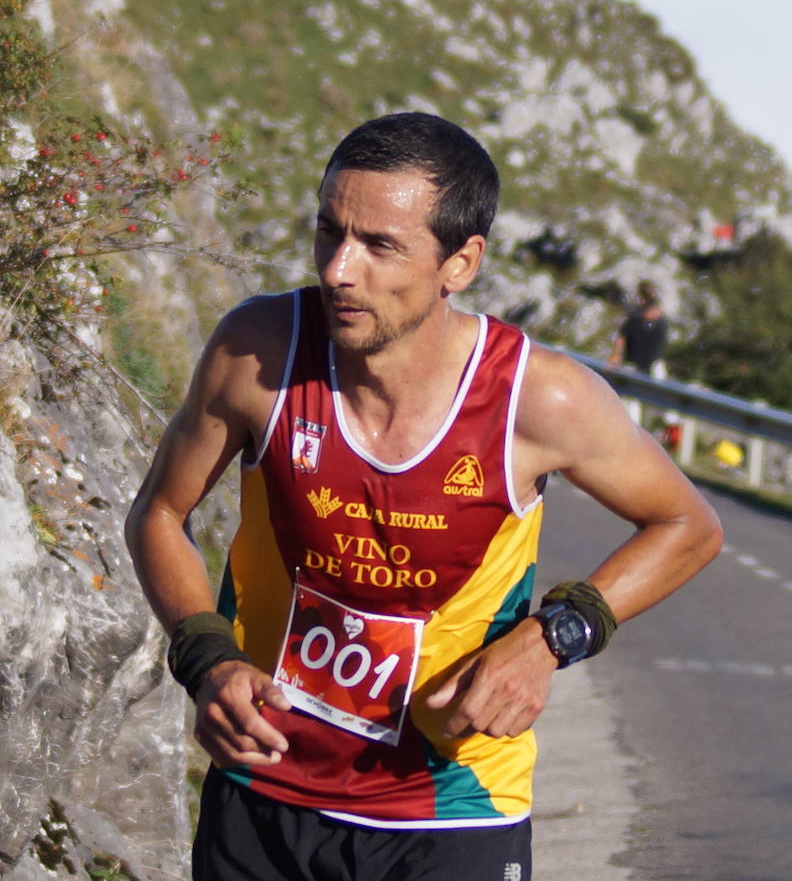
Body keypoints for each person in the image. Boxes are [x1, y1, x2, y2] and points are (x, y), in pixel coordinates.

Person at [124, 113, 722, 880]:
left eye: (380, 246)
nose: (340, 269)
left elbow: (687, 524)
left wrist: (551, 640)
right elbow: (160, 513)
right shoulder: (260, 350)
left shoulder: (538, 399)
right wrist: (207, 658)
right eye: (329, 232)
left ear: (460, 263)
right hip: (265, 787)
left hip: (451, 808)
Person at [608, 280, 669, 376]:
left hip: (653, 365)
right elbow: (621, 337)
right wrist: (615, 357)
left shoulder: (662, 322)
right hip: (633, 364)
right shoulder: (634, 319)